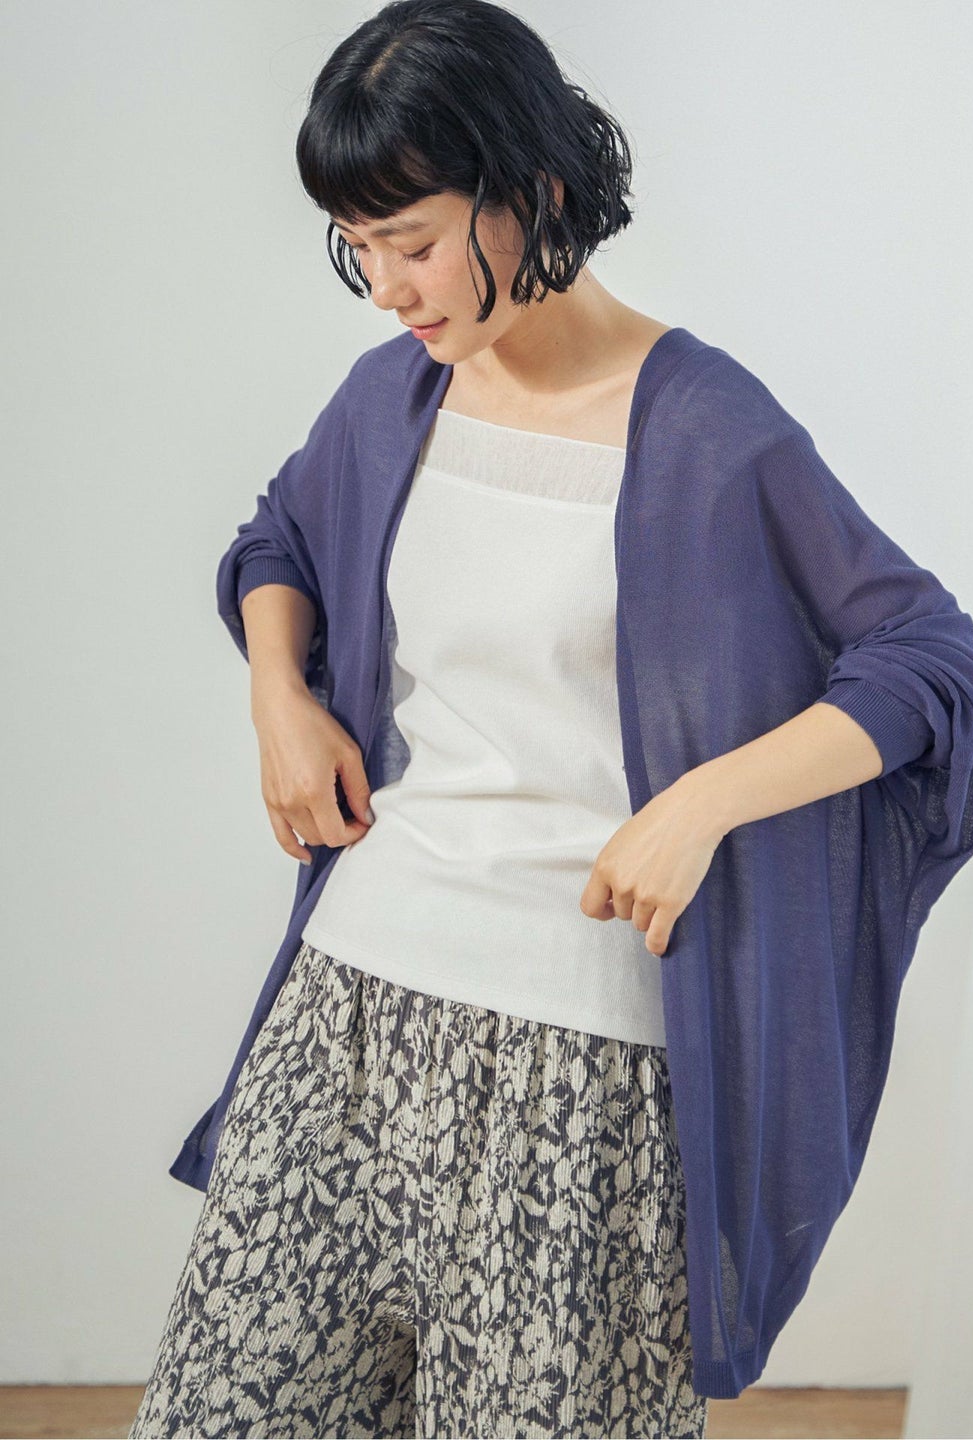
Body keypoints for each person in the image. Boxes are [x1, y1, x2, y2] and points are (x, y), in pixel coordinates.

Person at [132, 2, 707, 1435]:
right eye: (359, 246)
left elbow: (917, 670)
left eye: (413, 241)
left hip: (576, 1064)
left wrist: (701, 806)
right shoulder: (397, 396)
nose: (385, 289)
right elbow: (277, 538)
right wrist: (277, 693)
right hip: (345, 1013)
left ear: (533, 195)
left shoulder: (702, 428)